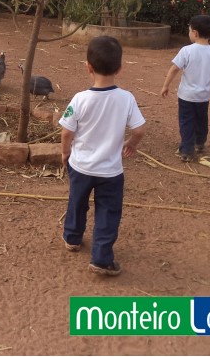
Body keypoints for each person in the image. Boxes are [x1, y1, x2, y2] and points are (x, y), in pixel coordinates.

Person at [59, 35, 146, 277]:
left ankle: (72, 238)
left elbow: (66, 132)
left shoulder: (80, 99)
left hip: (80, 167)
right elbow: (140, 129)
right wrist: (131, 144)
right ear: (119, 68)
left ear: (88, 66)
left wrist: (65, 152)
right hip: (111, 171)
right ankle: (101, 258)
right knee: (108, 212)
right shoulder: (127, 99)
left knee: (77, 202)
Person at [160, 14, 210, 162]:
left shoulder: (186, 50)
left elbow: (174, 69)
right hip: (203, 97)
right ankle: (200, 143)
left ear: (194, 33)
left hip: (186, 96)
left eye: (189, 30)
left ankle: (187, 150)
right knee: (201, 120)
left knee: (187, 122)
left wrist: (165, 85)